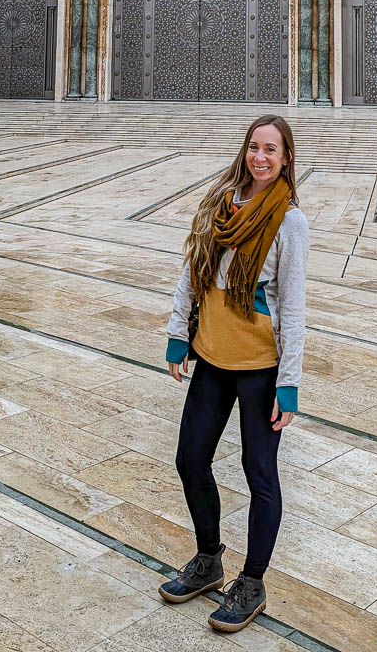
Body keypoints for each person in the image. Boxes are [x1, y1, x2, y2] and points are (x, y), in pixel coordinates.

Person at [159, 113, 309, 634]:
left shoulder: (288, 220)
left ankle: (252, 582)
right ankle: (208, 559)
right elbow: (192, 271)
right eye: (254, 147)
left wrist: (288, 384)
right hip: (212, 356)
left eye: (272, 150)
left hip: (260, 369)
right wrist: (179, 334)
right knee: (190, 459)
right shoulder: (220, 204)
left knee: (259, 475)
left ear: (286, 158)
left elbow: (293, 306)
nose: (261, 158)